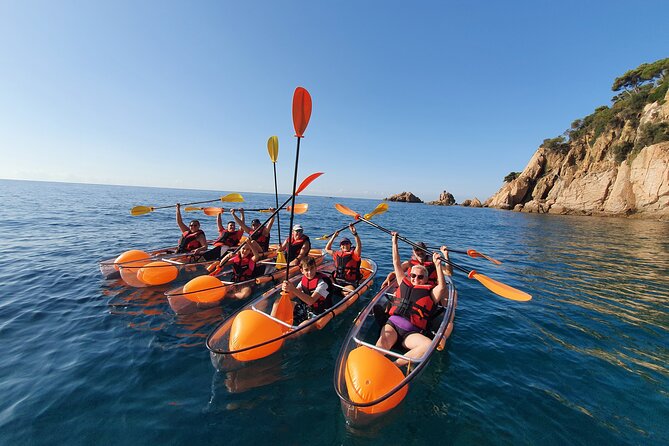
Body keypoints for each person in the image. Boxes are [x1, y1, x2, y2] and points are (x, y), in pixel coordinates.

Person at [376, 232, 452, 367]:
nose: (416, 279)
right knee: (382, 344)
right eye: (413, 275)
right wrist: (394, 242)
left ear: (426, 279)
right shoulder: (404, 282)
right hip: (392, 325)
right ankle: (373, 363)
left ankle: (395, 366)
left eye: (420, 277)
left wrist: (438, 264)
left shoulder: (431, 292)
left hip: (411, 334)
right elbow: (396, 262)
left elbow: (442, 286)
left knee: (428, 345)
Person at [280, 257, 333, 325]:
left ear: (316, 268)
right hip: (307, 308)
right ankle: (274, 323)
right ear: (302, 271)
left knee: (304, 324)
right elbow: (293, 295)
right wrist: (286, 289)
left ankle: (291, 334)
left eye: (312, 268)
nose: (310, 272)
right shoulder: (303, 280)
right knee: (278, 303)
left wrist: (293, 289)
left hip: (320, 312)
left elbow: (311, 301)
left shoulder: (322, 282)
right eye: (306, 270)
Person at [324, 223, 362, 292]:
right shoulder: (336, 254)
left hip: (349, 283)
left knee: (348, 292)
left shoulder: (354, 255)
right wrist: (334, 236)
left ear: (350, 245)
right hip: (337, 281)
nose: (345, 245)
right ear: (340, 247)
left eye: (347, 243)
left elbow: (359, 246)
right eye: (343, 244)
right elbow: (327, 248)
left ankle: (341, 292)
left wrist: (355, 234)